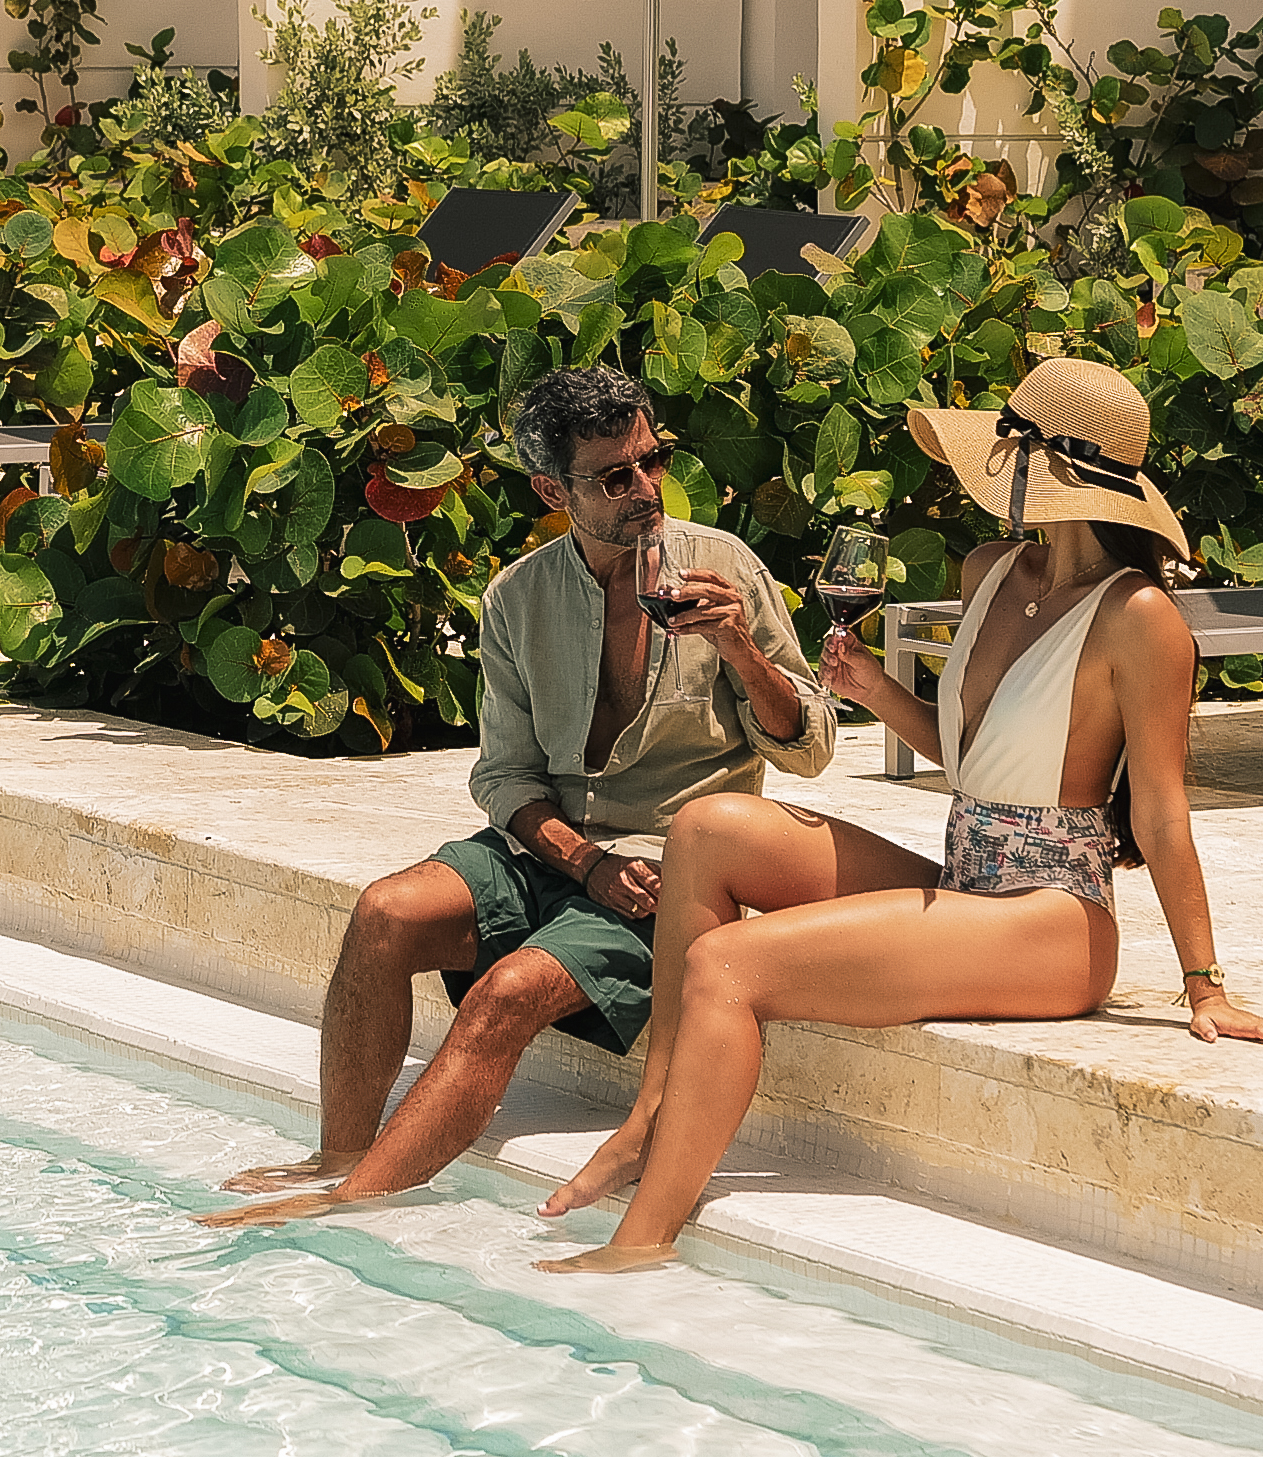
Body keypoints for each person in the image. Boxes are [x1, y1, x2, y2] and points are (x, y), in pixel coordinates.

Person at [541, 350, 1263, 1274]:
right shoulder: (994, 568)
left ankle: (641, 1239)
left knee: (728, 963)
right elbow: (976, 752)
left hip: (1052, 920)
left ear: (1038, 470)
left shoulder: (1142, 618)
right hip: (967, 879)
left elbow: (1165, 815)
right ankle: (646, 1118)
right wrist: (871, 688)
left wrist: (1205, 984)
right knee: (706, 827)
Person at [200, 359, 824, 1222]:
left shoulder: (724, 569)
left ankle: (351, 1202)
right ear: (550, 486)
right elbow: (505, 775)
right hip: (558, 846)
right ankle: (338, 1148)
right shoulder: (519, 595)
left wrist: (742, 651)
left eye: (655, 459)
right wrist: (581, 859)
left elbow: (812, 748)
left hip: (667, 873)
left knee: (506, 993)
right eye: (615, 474)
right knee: (383, 912)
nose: (646, 487)